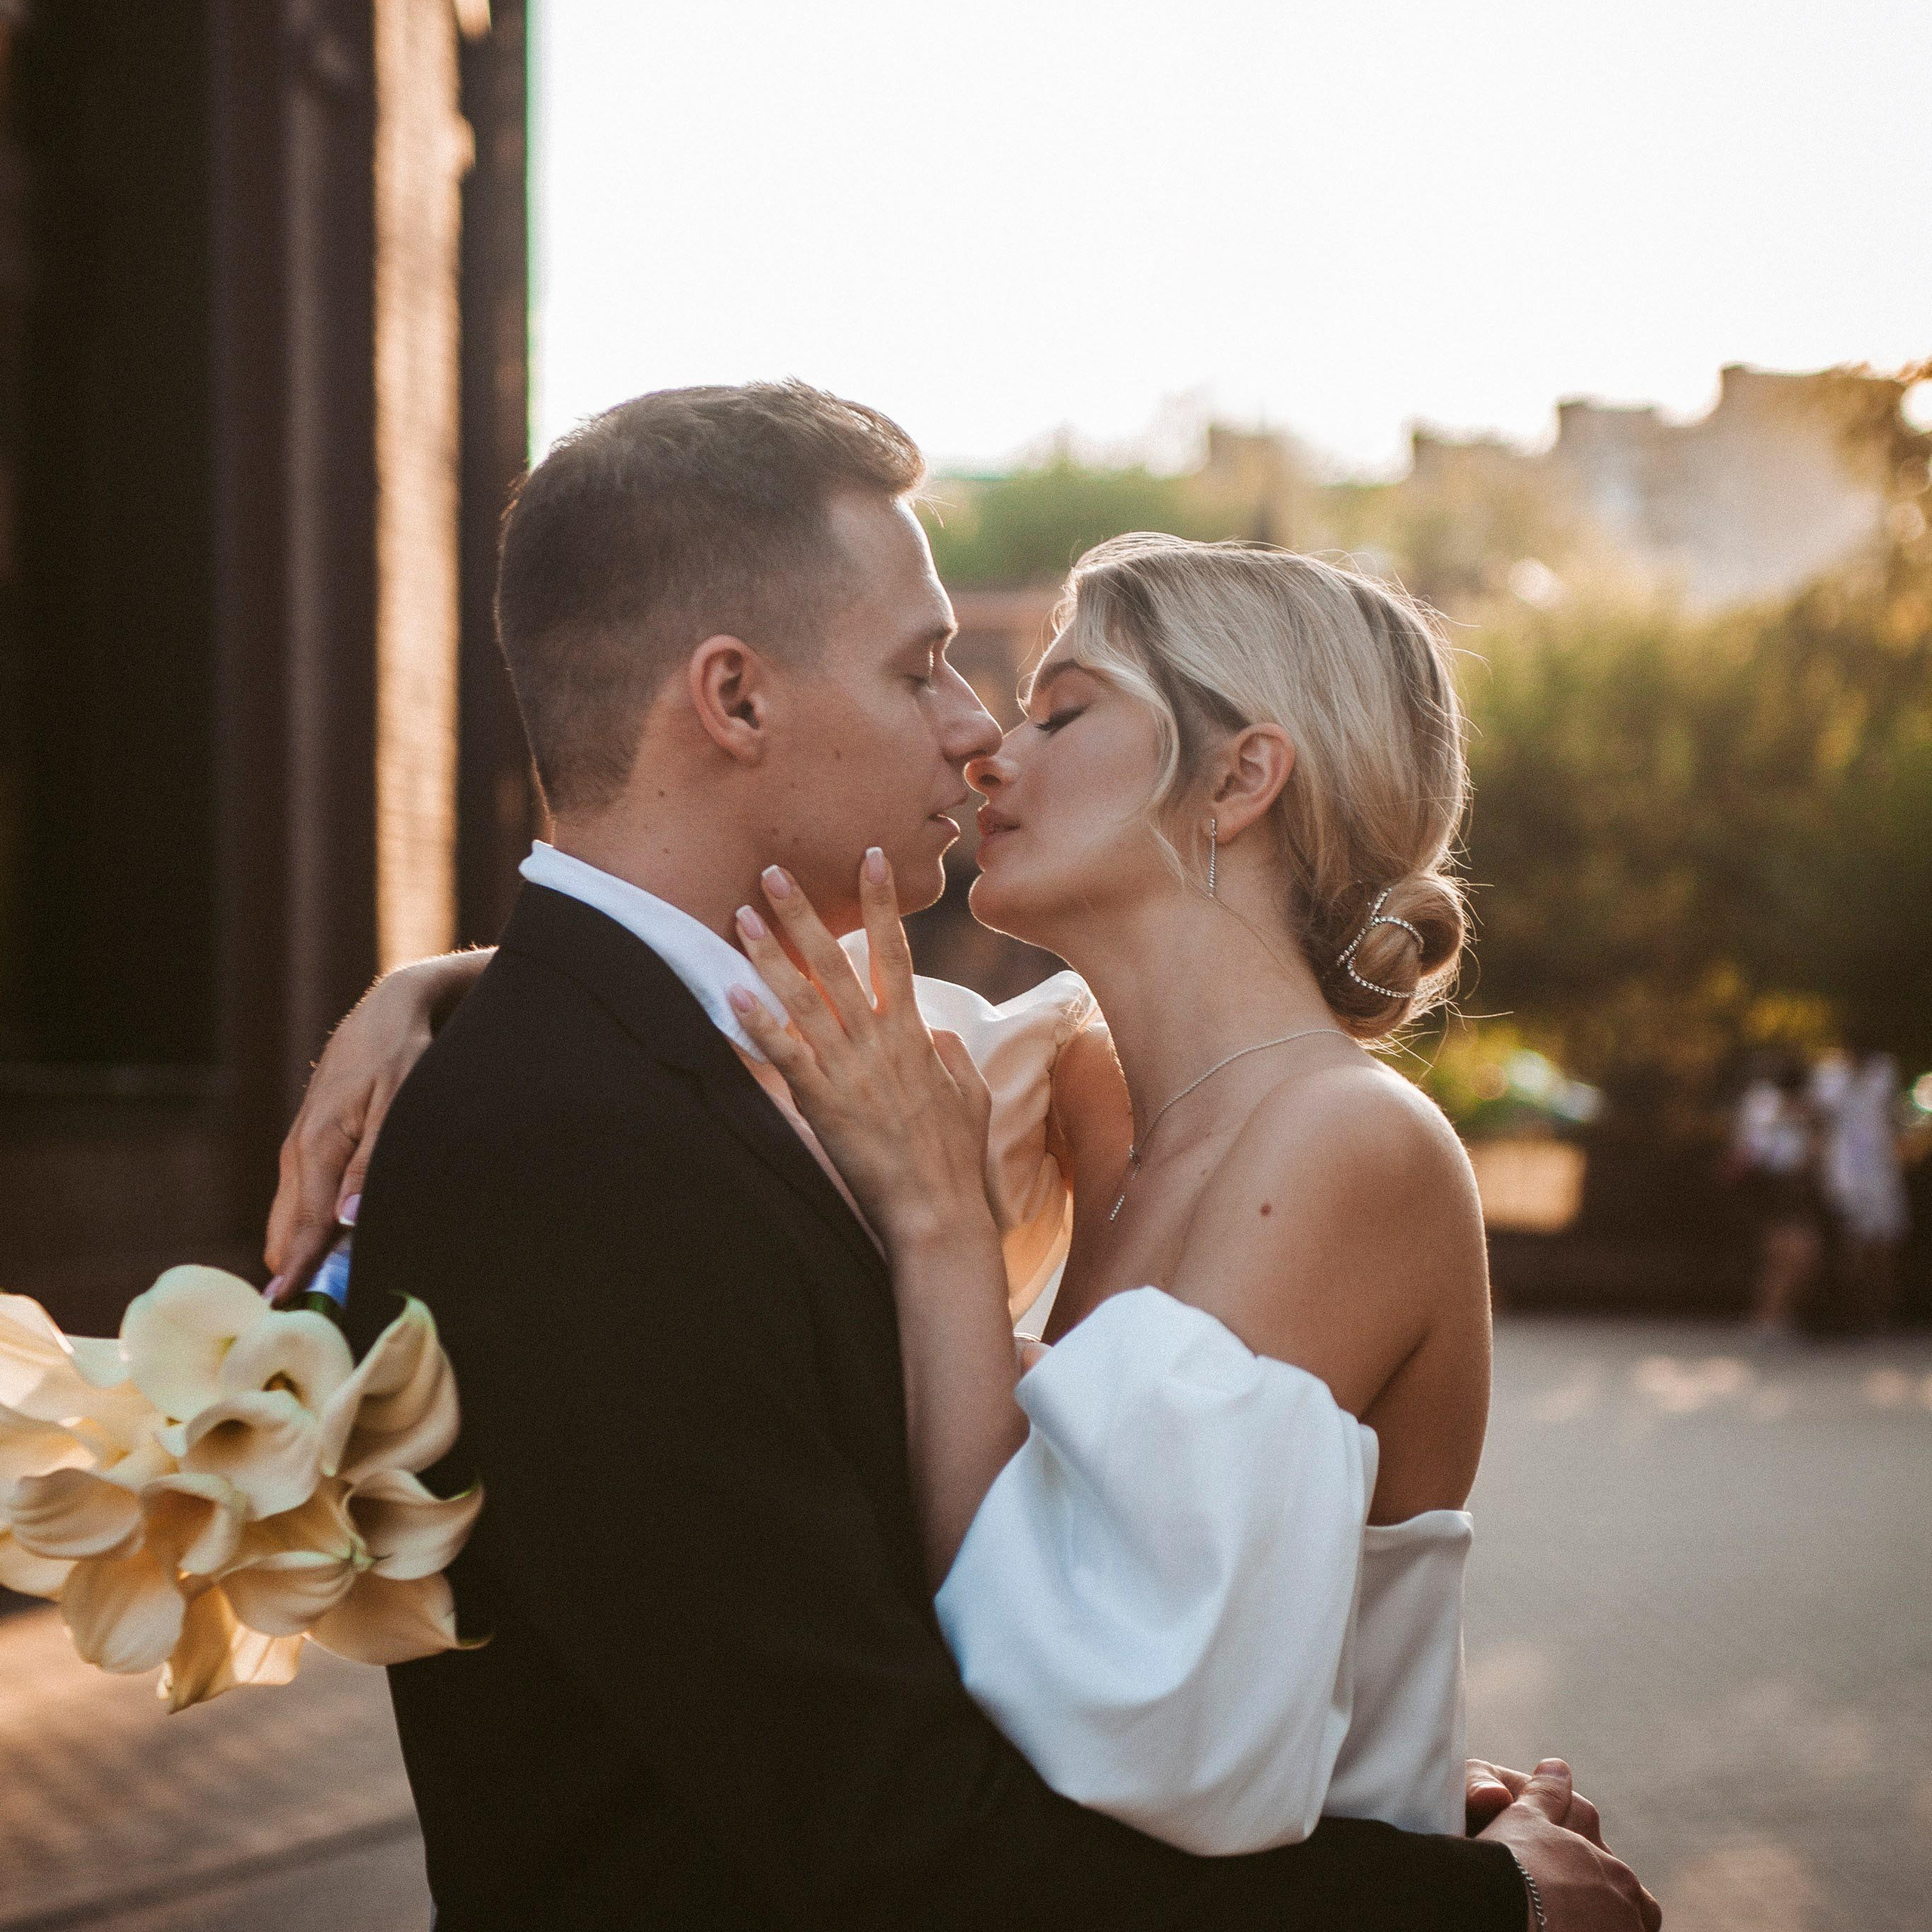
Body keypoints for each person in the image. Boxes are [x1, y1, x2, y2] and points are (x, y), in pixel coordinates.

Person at [269, 382, 1657, 1930]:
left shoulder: (1175, 1117)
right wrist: (435, 993)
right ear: (731, 700)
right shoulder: (939, 1088)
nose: (983, 736)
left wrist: (1392, 1803)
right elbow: (912, 1820)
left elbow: (1106, 1707)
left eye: (1050, 707)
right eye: (931, 669)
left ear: (1240, 777)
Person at [1814, 1044, 1911, 1330]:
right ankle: (1848, 1317)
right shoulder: (1830, 1075)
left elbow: (1894, 1116)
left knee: (1883, 1246)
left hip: (1881, 1174)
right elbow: (1821, 1118)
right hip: (1844, 1174)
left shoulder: (1884, 1071)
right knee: (1849, 1245)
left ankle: (1879, 1317)